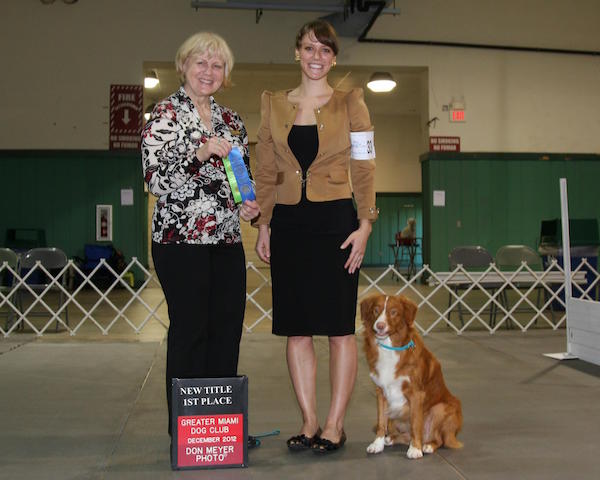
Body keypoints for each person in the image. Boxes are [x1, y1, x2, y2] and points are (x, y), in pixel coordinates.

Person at [253, 20, 378, 454]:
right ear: (296, 52)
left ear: (334, 58)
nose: (316, 56)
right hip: (289, 224)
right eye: (309, 48)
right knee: (297, 328)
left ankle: (334, 425)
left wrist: (364, 225)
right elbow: (265, 170)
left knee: (339, 329)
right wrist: (264, 224)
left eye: (325, 50)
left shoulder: (352, 103)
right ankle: (308, 422)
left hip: (336, 224)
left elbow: (364, 167)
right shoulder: (273, 104)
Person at [141, 32, 260, 438]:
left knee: (226, 331)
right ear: (183, 66)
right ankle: (187, 431)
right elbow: (156, 182)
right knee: (190, 331)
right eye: (201, 63)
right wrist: (199, 154)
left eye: (217, 65)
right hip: (179, 243)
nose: (208, 72)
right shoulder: (164, 116)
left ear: (225, 74)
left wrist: (249, 205)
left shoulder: (233, 121)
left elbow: (240, 179)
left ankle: (221, 429)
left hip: (226, 241)